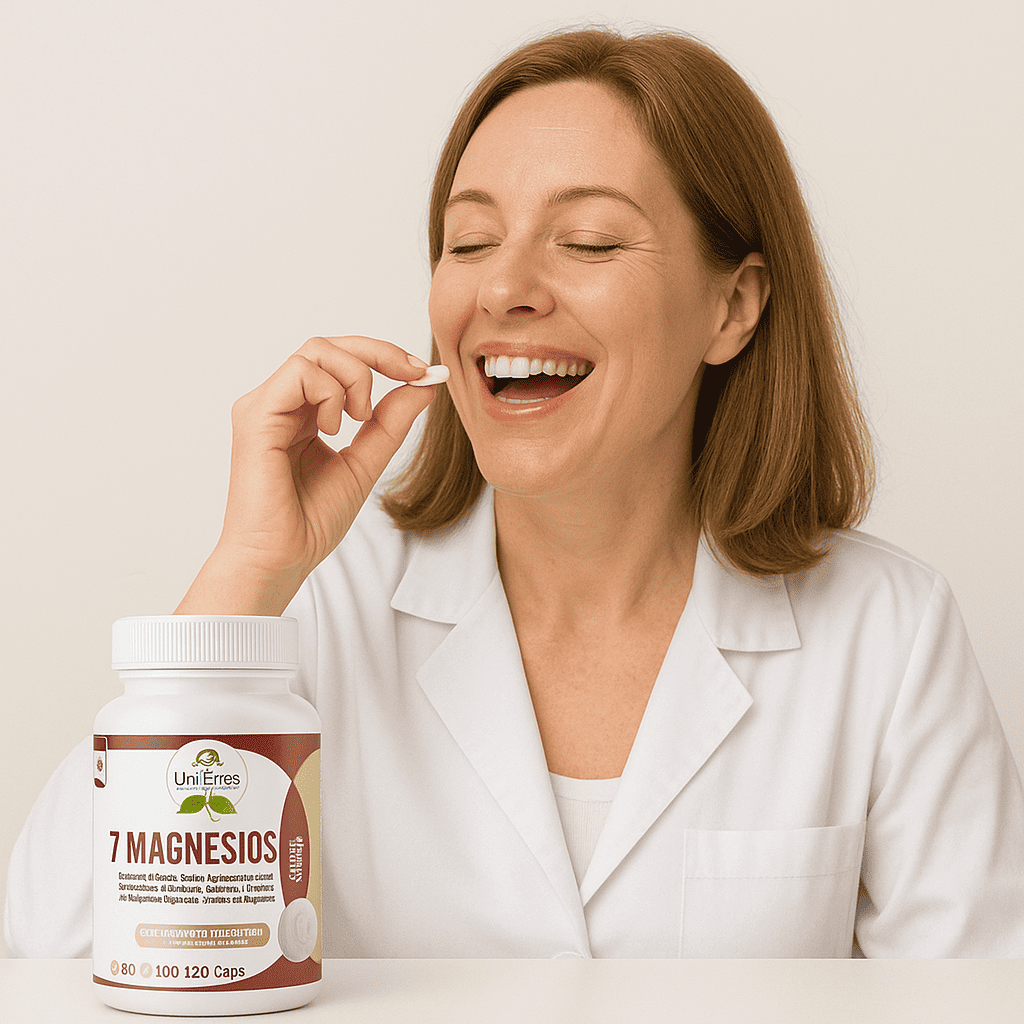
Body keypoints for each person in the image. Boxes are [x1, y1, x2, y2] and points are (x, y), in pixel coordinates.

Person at [6, 27, 1024, 959]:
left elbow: (972, 996)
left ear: (733, 307)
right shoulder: (315, 610)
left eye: (588, 242)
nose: (501, 289)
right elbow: (50, 952)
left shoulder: (888, 635)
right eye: (469, 243)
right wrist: (247, 572)